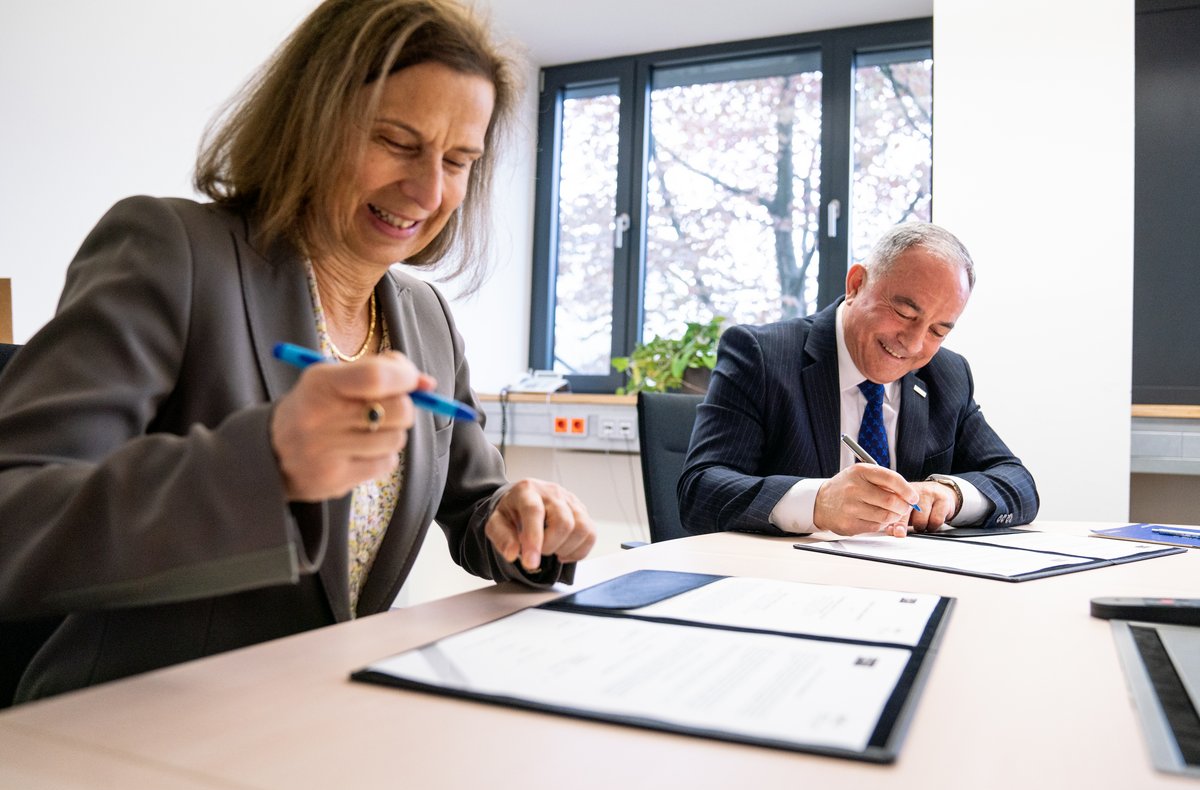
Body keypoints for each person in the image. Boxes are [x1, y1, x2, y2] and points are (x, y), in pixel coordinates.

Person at [0, 0, 595, 704]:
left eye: (459, 160)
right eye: (398, 142)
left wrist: (524, 522)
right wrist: (266, 464)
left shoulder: (426, 317)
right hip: (126, 727)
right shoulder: (173, 253)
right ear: (311, 123)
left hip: (316, 720)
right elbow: (15, 517)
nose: (430, 190)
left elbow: (475, 508)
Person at [678, 222, 1038, 538]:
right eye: (904, 313)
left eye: (938, 330)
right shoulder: (761, 355)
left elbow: (1017, 482)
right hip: (785, 586)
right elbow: (701, 490)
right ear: (856, 284)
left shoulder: (947, 374)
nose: (913, 344)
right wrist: (819, 503)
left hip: (905, 589)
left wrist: (950, 494)